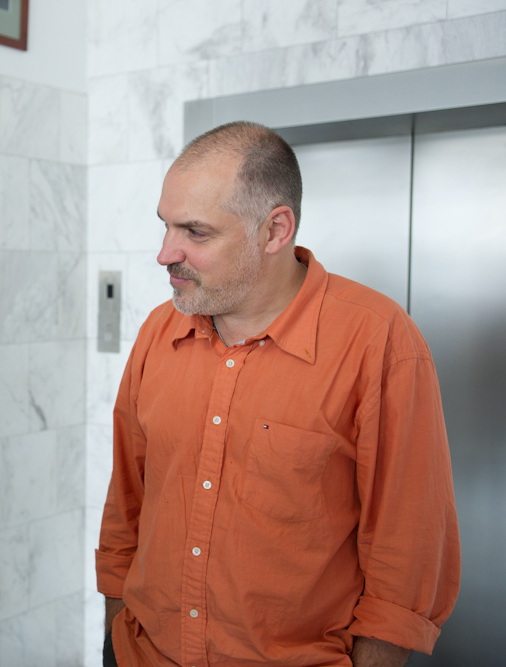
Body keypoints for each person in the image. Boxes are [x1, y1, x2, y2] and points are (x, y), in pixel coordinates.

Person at [96, 122, 459, 667]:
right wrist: (115, 633)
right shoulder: (157, 331)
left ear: (274, 230)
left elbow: (406, 553)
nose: (166, 253)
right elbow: (127, 503)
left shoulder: (378, 340)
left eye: (195, 232)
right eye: (166, 226)